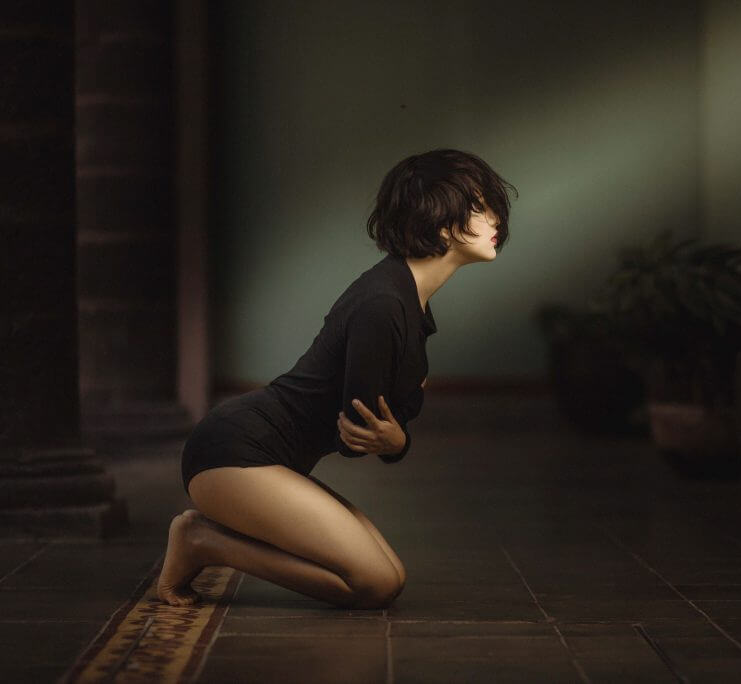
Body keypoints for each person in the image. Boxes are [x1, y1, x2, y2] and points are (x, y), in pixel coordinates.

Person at [157, 148, 517, 609]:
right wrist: (399, 433)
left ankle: (204, 539)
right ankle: (203, 542)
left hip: (268, 457)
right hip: (232, 454)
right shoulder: (384, 304)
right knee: (376, 584)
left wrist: (395, 430)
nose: (495, 220)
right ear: (444, 223)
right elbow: (356, 433)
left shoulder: (408, 301)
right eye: (480, 205)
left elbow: (381, 421)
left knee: (391, 574)